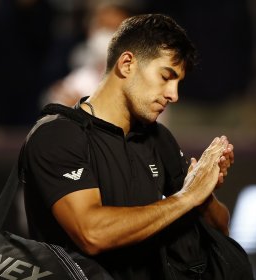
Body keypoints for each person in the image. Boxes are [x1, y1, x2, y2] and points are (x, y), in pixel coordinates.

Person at [20, 14, 235, 279]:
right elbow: (92, 232)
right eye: (166, 77)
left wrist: (204, 192)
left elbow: (220, 227)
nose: (174, 94)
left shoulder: (159, 139)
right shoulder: (56, 135)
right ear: (127, 64)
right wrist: (187, 197)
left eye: (178, 83)